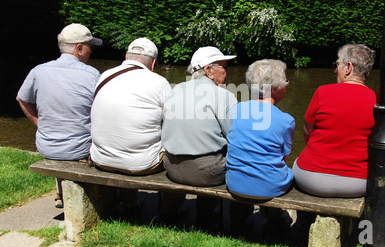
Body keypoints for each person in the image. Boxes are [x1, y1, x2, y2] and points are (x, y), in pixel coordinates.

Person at [16, 23, 102, 207]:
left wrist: (39, 124)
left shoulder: (38, 71)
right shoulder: (92, 75)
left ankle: (60, 192)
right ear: (79, 48)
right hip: (80, 149)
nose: (91, 51)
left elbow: (21, 99)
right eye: (90, 47)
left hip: (46, 146)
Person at [90, 37, 172, 211]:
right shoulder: (159, 83)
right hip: (142, 165)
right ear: (153, 63)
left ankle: (129, 203)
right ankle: (170, 208)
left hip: (101, 159)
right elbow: (172, 123)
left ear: (126, 56)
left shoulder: (104, 75)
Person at [160, 46, 237, 228]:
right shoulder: (224, 96)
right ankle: (207, 215)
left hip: (172, 167)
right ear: (209, 70)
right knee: (227, 155)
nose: (228, 72)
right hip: (206, 173)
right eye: (224, 66)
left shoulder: (176, 89)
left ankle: (169, 211)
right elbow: (234, 136)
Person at [293, 43, 377, 198]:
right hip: (357, 183)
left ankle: (303, 222)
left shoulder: (323, 92)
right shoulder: (377, 100)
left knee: (297, 162)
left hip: (311, 179)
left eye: (337, 64)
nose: (335, 69)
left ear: (348, 67)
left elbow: (307, 133)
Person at [225, 59, 295, 234]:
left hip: (234, 183)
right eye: (285, 80)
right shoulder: (286, 120)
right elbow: (284, 157)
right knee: (283, 171)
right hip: (269, 186)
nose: (287, 84)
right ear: (276, 88)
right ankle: (275, 221)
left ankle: (239, 223)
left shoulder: (236, 110)